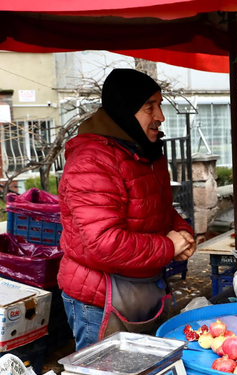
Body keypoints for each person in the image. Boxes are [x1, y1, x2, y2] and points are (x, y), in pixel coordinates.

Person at [57, 69, 196, 350]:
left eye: (160, 105)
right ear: (125, 109)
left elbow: (158, 210)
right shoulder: (92, 161)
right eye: (150, 107)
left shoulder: (144, 152)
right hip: (100, 297)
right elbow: (103, 243)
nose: (160, 116)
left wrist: (181, 230)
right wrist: (167, 247)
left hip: (143, 288)